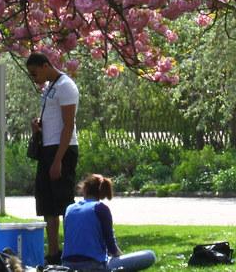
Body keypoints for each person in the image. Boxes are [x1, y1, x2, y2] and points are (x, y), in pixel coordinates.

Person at [26, 51, 79, 264]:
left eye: (34, 73)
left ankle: (73, 251)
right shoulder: (50, 88)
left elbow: (68, 125)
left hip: (62, 150)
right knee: (47, 203)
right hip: (47, 149)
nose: (33, 77)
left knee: (64, 202)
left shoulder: (66, 86)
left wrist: (58, 160)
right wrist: (38, 127)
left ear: (46, 65)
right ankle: (54, 253)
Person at [62, 174, 156, 272]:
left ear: (84, 188)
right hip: (94, 266)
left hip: (67, 265)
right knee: (150, 255)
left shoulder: (70, 208)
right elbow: (112, 248)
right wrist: (122, 257)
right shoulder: (100, 208)